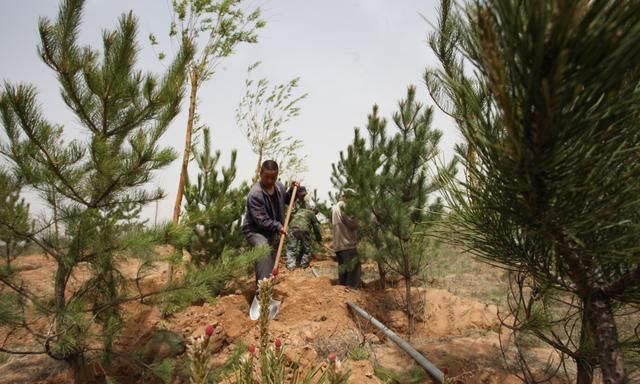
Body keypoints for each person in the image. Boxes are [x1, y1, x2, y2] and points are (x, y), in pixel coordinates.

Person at [242, 160, 298, 285]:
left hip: (271, 230)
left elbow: (286, 199)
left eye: (273, 177)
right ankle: (261, 294)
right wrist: (278, 226)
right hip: (255, 230)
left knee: (269, 260)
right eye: (266, 177)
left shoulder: (279, 187)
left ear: (277, 176)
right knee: (263, 251)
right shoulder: (255, 194)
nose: (269, 180)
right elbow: (261, 220)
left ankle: (267, 289)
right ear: (260, 174)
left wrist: (293, 190)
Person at [285, 188, 322, 270]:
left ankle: (291, 266)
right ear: (313, 210)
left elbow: (292, 217)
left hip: (292, 228)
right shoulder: (311, 213)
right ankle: (304, 265)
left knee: (291, 247)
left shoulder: (300, 210)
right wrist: (319, 238)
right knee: (307, 248)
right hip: (303, 229)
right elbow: (316, 228)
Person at [331, 188, 361, 288]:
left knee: (343, 271)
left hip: (338, 245)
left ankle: (343, 292)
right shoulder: (344, 206)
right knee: (353, 271)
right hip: (347, 243)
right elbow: (352, 223)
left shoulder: (335, 207)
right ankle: (351, 292)